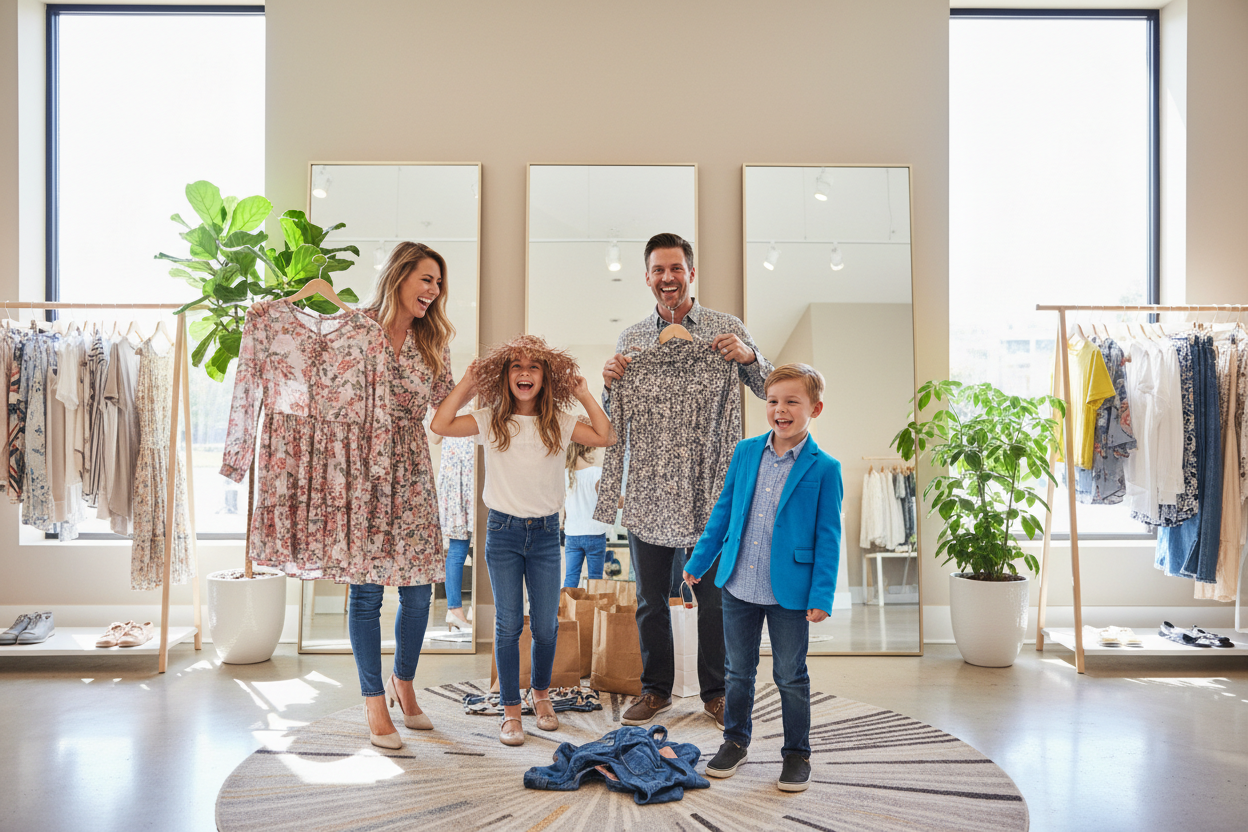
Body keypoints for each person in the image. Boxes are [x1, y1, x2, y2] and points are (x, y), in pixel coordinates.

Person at [599, 232, 773, 729]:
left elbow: (770, 388)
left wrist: (747, 357)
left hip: (712, 486)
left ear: (690, 273)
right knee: (651, 599)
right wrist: (609, 382)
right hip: (650, 487)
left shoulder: (726, 328)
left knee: (715, 597)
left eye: (676, 268)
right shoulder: (631, 338)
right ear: (647, 277)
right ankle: (655, 690)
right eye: (658, 270)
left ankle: (716, 691)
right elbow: (614, 419)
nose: (668, 278)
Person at [431, 335, 615, 747]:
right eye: (517, 366)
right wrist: (467, 385)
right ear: (506, 376)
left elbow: (606, 436)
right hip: (503, 533)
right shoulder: (488, 419)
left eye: (534, 367)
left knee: (547, 626)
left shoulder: (560, 424)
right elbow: (440, 424)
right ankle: (511, 710)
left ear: (545, 378)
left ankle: (542, 695)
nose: (526, 373)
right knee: (509, 623)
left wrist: (584, 393)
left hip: (548, 535)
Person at [683, 364, 843, 793]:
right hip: (739, 582)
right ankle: (735, 740)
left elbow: (829, 536)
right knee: (737, 671)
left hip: (790, 592)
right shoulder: (746, 451)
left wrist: (822, 594)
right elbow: (723, 511)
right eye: (773, 401)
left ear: (816, 408)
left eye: (792, 401)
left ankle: (796, 753)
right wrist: (699, 561)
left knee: (790, 675)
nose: (781, 410)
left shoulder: (825, 468)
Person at [351, 241, 456, 750]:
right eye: (426, 280)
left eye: (439, 284)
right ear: (399, 277)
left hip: (412, 467)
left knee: (418, 591)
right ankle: (374, 703)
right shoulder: (357, 330)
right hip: (362, 470)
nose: (434, 292)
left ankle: (404, 683)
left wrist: (488, 392)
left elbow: (444, 411)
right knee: (367, 592)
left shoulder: (433, 340)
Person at [562, 422, 610, 587]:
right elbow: (612, 501)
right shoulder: (596, 473)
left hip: (572, 534)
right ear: (587, 446)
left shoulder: (564, 475)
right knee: (595, 580)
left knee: (571, 578)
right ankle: (594, 613)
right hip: (595, 533)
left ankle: (566, 613)